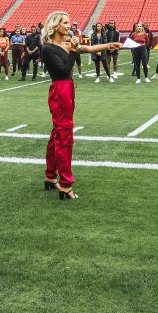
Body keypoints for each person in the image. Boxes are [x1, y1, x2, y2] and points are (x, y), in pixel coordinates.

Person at [40, 10, 120, 201]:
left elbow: (90, 49)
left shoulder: (65, 44)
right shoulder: (48, 48)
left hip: (67, 89)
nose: (69, 26)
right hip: (60, 90)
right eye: (65, 23)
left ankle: (50, 176)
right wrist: (74, 51)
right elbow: (63, 70)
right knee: (64, 135)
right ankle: (65, 184)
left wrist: (109, 45)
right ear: (55, 26)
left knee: (57, 133)